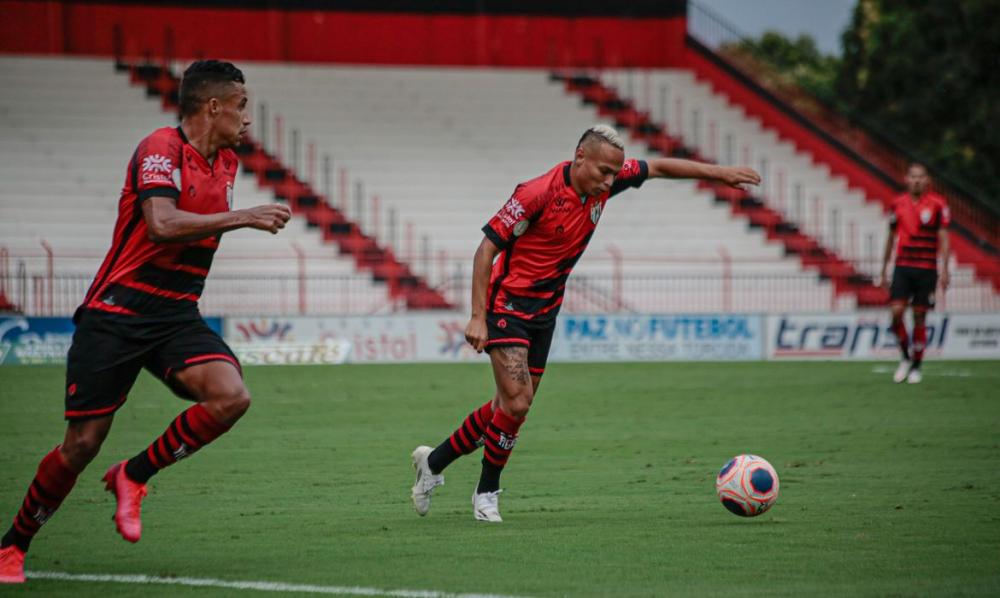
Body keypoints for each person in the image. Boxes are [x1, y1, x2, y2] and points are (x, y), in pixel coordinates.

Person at [0, 60, 292, 584]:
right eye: (242, 105)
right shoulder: (159, 148)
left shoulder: (227, 162)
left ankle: (133, 475)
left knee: (231, 397)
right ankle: (12, 546)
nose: (247, 118)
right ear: (213, 106)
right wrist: (243, 216)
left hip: (175, 314)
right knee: (81, 445)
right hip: (116, 313)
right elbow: (160, 225)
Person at [410, 124, 760, 522]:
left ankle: (433, 463)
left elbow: (660, 167)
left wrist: (722, 174)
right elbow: (485, 249)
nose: (610, 181)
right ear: (580, 158)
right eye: (603, 173)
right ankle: (487, 491)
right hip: (507, 305)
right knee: (518, 402)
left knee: (506, 408)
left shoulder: (605, 182)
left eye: (615, 174)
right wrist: (477, 316)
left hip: (545, 311)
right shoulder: (535, 194)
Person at [879, 163, 950, 384]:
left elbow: (944, 237)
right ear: (906, 179)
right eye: (913, 177)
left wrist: (945, 269)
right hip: (903, 266)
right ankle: (905, 357)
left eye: (921, 177)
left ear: (927, 180)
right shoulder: (897, 204)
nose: (917, 180)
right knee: (896, 313)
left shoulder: (938, 204)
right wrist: (883, 269)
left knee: (919, 317)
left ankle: (917, 366)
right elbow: (891, 237)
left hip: (927, 268)